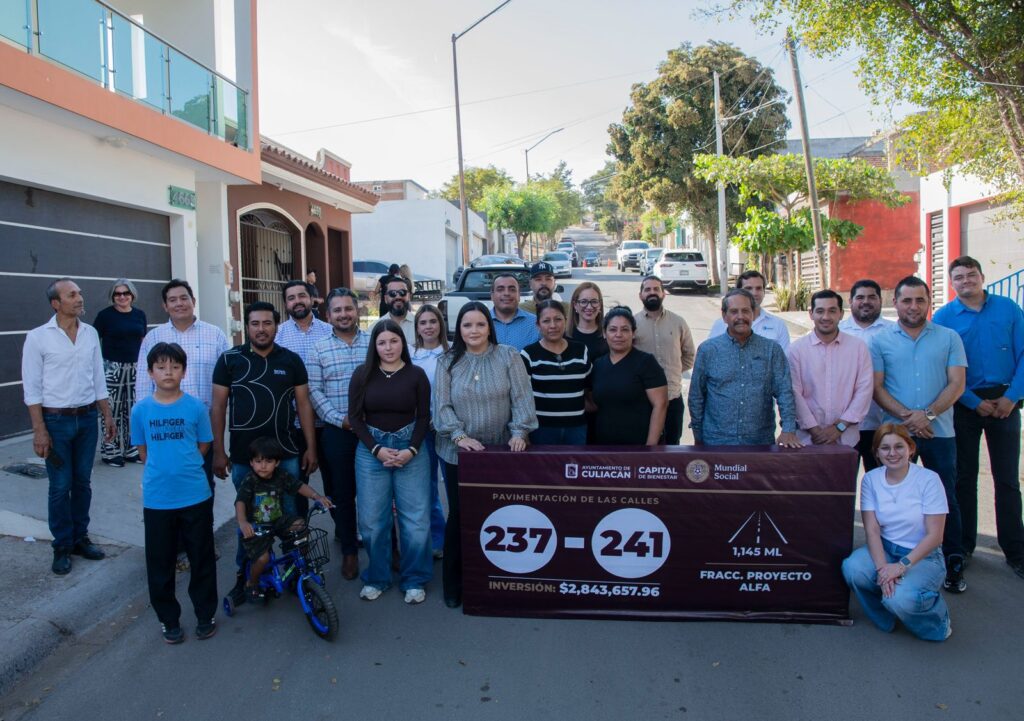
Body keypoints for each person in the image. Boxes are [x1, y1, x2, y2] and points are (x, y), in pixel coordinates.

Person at [211, 301, 318, 603]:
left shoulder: (291, 360)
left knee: (291, 515)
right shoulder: (230, 360)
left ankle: (297, 573)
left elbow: (304, 405)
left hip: (287, 454)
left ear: (276, 325)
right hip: (245, 458)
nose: (261, 329)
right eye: (255, 323)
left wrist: (311, 447)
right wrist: (219, 451)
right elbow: (218, 406)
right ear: (247, 327)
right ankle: (246, 576)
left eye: (267, 323)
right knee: (249, 521)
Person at [433, 301, 537, 607]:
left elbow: (522, 398)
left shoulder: (508, 356)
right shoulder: (446, 361)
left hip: (500, 454)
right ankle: (454, 585)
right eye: (467, 325)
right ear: (459, 329)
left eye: (480, 324)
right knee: (460, 516)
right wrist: (460, 436)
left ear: (489, 327)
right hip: (459, 455)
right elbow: (441, 407)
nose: (474, 330)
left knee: (499, 517)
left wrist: (519, 432)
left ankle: (498, 582)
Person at [871, 275, 967, 594]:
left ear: (929, 302)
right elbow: (877, 387)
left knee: (945, 496)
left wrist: (927, 415)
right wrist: (908, 418)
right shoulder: (880, 341)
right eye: (907, 300)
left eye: (920, 300)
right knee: (895, 498)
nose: (913, 306)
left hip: (939, 432)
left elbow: (957, 384)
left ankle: (953, 559)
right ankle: (891, 560)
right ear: (896, 302)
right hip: (895, 436)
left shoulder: (949, 337)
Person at [933, 256, 1024, 580]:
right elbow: (942, 368)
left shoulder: (1008, 308)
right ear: (952, 283)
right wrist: (972, 401)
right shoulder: (944, 318)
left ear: (982, 276)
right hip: (964, 403)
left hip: (1005, 402)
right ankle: (964, 546)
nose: (966, 281)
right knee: (964, 478)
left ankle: (1015, 551)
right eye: (959, 277)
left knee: (1007, 480)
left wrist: (1012, 397)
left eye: (971, 275)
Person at [22, 278, 115, 575]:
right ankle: (62, 545)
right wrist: (39, 430)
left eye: (79, 293)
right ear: (56, 303)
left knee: (82, 482)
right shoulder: (38, 337)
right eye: (71, 295)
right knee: (60, 486)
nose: (79, 298)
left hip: (87, 419)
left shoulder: (90, 333)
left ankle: (79, 538)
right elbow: (32, 389)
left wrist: (107, 414)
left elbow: (98, 377)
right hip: (55, 422)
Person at [129, 342, 217, 644]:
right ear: (150, 372)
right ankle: (169, 619)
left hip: (195, 495)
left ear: (184, 371)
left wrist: (184, 464)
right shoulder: (140, 410)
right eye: (161, 367)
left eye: (175, 367)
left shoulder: (195, 407)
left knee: (201, 558)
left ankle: (205, 614)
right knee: (160, 562)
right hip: (158, 499)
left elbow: (204, 444)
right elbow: (143, 452)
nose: (168, 372)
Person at [348, 320, 433, 604]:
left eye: (394, 341)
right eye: (382, 342)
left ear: (402, 343)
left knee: (416, 520)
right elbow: (355, 419)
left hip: (411, 450)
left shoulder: (416, 375)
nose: (388, 348)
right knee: (373, 520)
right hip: (372, 452)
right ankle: (377, 577)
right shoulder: (362, 375)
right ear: (374, 346)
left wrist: (412, 449)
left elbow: (424, 416)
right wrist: (376, 450)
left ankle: (414, 579)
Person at [842, 424, 951, 641]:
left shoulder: (929, 479)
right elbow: (872, 530)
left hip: (922, 556)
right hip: (885, 547)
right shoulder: (871, 479)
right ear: (877, 453)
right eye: (885, 448)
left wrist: (900, 567)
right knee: (853, 568)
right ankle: (885, 614)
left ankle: (937, 621)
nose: (892, 453)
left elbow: (935, 536)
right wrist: (883, 570)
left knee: (901, 598)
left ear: (911, 448)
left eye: (899, 446)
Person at [135, 279, 230, 487]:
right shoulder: (153, 337)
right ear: (165, 306)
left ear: (193, 301)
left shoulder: (215, 335)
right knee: (168, 482)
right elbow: (143, 385)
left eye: (183, 298)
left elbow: (229, 380)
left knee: (202, 482)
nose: (179, 303)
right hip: (164, 427)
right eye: (172, 300)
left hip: (204, 425)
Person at [306, 288, 370, 581]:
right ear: (328, 315)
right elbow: (314, 391)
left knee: (377, 492)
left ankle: (387, 546)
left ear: (357, 311)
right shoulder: (318, 349)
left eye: (348, 308)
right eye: (337, 310)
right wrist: (339, 420)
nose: (344, 314)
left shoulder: (373, 342)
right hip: (337, 430)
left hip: (372, 431)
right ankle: (349, 551)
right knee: (342, 494)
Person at [689, 289, 801, 447]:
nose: (740, 316)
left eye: (745, 311)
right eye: (734, 311)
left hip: (760, 442)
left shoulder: (771, 350)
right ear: (724, 316)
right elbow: (696, 396)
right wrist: (698, 435)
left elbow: (784, 392)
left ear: (753, 314)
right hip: (716, 441)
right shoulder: (708, 350)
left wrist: (788, 430)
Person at [235, 437, 332, 603]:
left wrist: (317, 497)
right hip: (257, 526)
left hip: (278, 520)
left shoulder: (281, 475)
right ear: (251, 463)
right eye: (258, 461)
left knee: (300, 527)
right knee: (263, 559)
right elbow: (240, 502)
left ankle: (298, 565)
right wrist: (243, 522)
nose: (263, 466)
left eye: (268, 461)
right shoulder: (250, 480)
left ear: (277, 463)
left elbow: (299, 486)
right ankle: (252, 582)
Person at [787, 289, 874, 447]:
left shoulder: (858, 348)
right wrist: (814, 430)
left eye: (832, 311)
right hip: (807, 440)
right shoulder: (796, 350)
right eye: (820, 311)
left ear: (841, 314)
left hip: (847, 440)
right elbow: (794, 392)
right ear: (811, 314)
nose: (826, 317)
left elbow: (864, 390)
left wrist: (839, 427)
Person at [275, 279, 333, 517]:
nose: (297, 301)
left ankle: (344, 530)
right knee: (297, 484)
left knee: (336, 483)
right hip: (295, 426)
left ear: (311, 299)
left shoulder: (329, 331)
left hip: (329, 422)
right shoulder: (278, 336)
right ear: (285, 303)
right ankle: (300, 534)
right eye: (291, 298)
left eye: (302, 296)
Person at [838, 279, 895, 471]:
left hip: (881, 423)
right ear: (850, 301)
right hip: (843, 425)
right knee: (843, 482)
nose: (866, 302)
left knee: (881, 479)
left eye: (872, 297)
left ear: (880, 300)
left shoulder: (893, 332)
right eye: (860, 297)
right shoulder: (837, 331)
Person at [590, 307, 668, 446]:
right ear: (604, 333)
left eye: (625, 330)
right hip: (603, 445)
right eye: (613, 329)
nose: (618, 335)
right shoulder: (598, 365)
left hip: (638, 447)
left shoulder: (646, 363)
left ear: (633, 333)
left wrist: (650, 446)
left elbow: (660, 404)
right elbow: (594, 403)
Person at [633, 275, 695, 444]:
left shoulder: (678, 322)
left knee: (672, 446)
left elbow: (689, 355)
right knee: (644, 447)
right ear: (640, 295)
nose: (652, 292)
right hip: (643, 400)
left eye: (656, 289)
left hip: (672, 398)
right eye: (647, 289)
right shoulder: (632, 324)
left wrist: (672, 371)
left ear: (663, 294)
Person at [521, 300, 592, 445]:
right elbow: (522, 397)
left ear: (565, 321)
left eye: (558, 319)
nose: (553, 325)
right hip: (541, 430)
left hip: (576, 428)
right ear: (538, 325)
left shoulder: (581, 350)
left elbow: (588, 388)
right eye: (546, 321)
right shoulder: (528, 354)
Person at [92, 278, 147, 466]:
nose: (122, 297)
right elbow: (93, 342)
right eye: (117, 294)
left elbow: (143, 342)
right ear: (112, 296)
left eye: (125, 293)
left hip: (135, 368)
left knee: (133, 410)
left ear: (132, 295)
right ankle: (110, 450)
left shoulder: (139, 315)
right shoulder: (105, 316)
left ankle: (132, 449)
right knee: (111, 409)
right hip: (111, 368)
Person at [410, 304, 449, 559]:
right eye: (423, 322)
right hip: (422, 429)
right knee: (427, 487)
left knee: (454, 486)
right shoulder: (410, 355)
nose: (428, 327)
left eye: (432, 321)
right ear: (417, 328)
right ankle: (437, 538)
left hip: (448, 429)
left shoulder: (453, 352)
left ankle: (458, 538)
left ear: (440, 324)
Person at [709, 270, 791, 349]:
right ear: (738, 291)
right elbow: (710, 353)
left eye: (758, 288)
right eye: (748, 288)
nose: (754, 293)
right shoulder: (720, 325)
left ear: (764, 292)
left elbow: (784, 357)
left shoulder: (778, 325)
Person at [490, 274, 539, 350]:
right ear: (492, 295)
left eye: (512, 289)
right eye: (500, 289)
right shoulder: (481, 322)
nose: (506, 293)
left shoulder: (535, 324)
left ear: (519, 295)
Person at [567, 281, 608, 359]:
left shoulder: (608, 335)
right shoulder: (565, 336)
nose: (589, 307)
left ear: (600, 304)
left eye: (594, 302)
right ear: (575, 305)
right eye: (584, 302)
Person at [376, 275, 416, 345]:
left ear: (409, 296)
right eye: (392, 293)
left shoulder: (420, 325)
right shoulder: (375, 328)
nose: (398, 297)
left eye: (402, 292)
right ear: (385, 299)